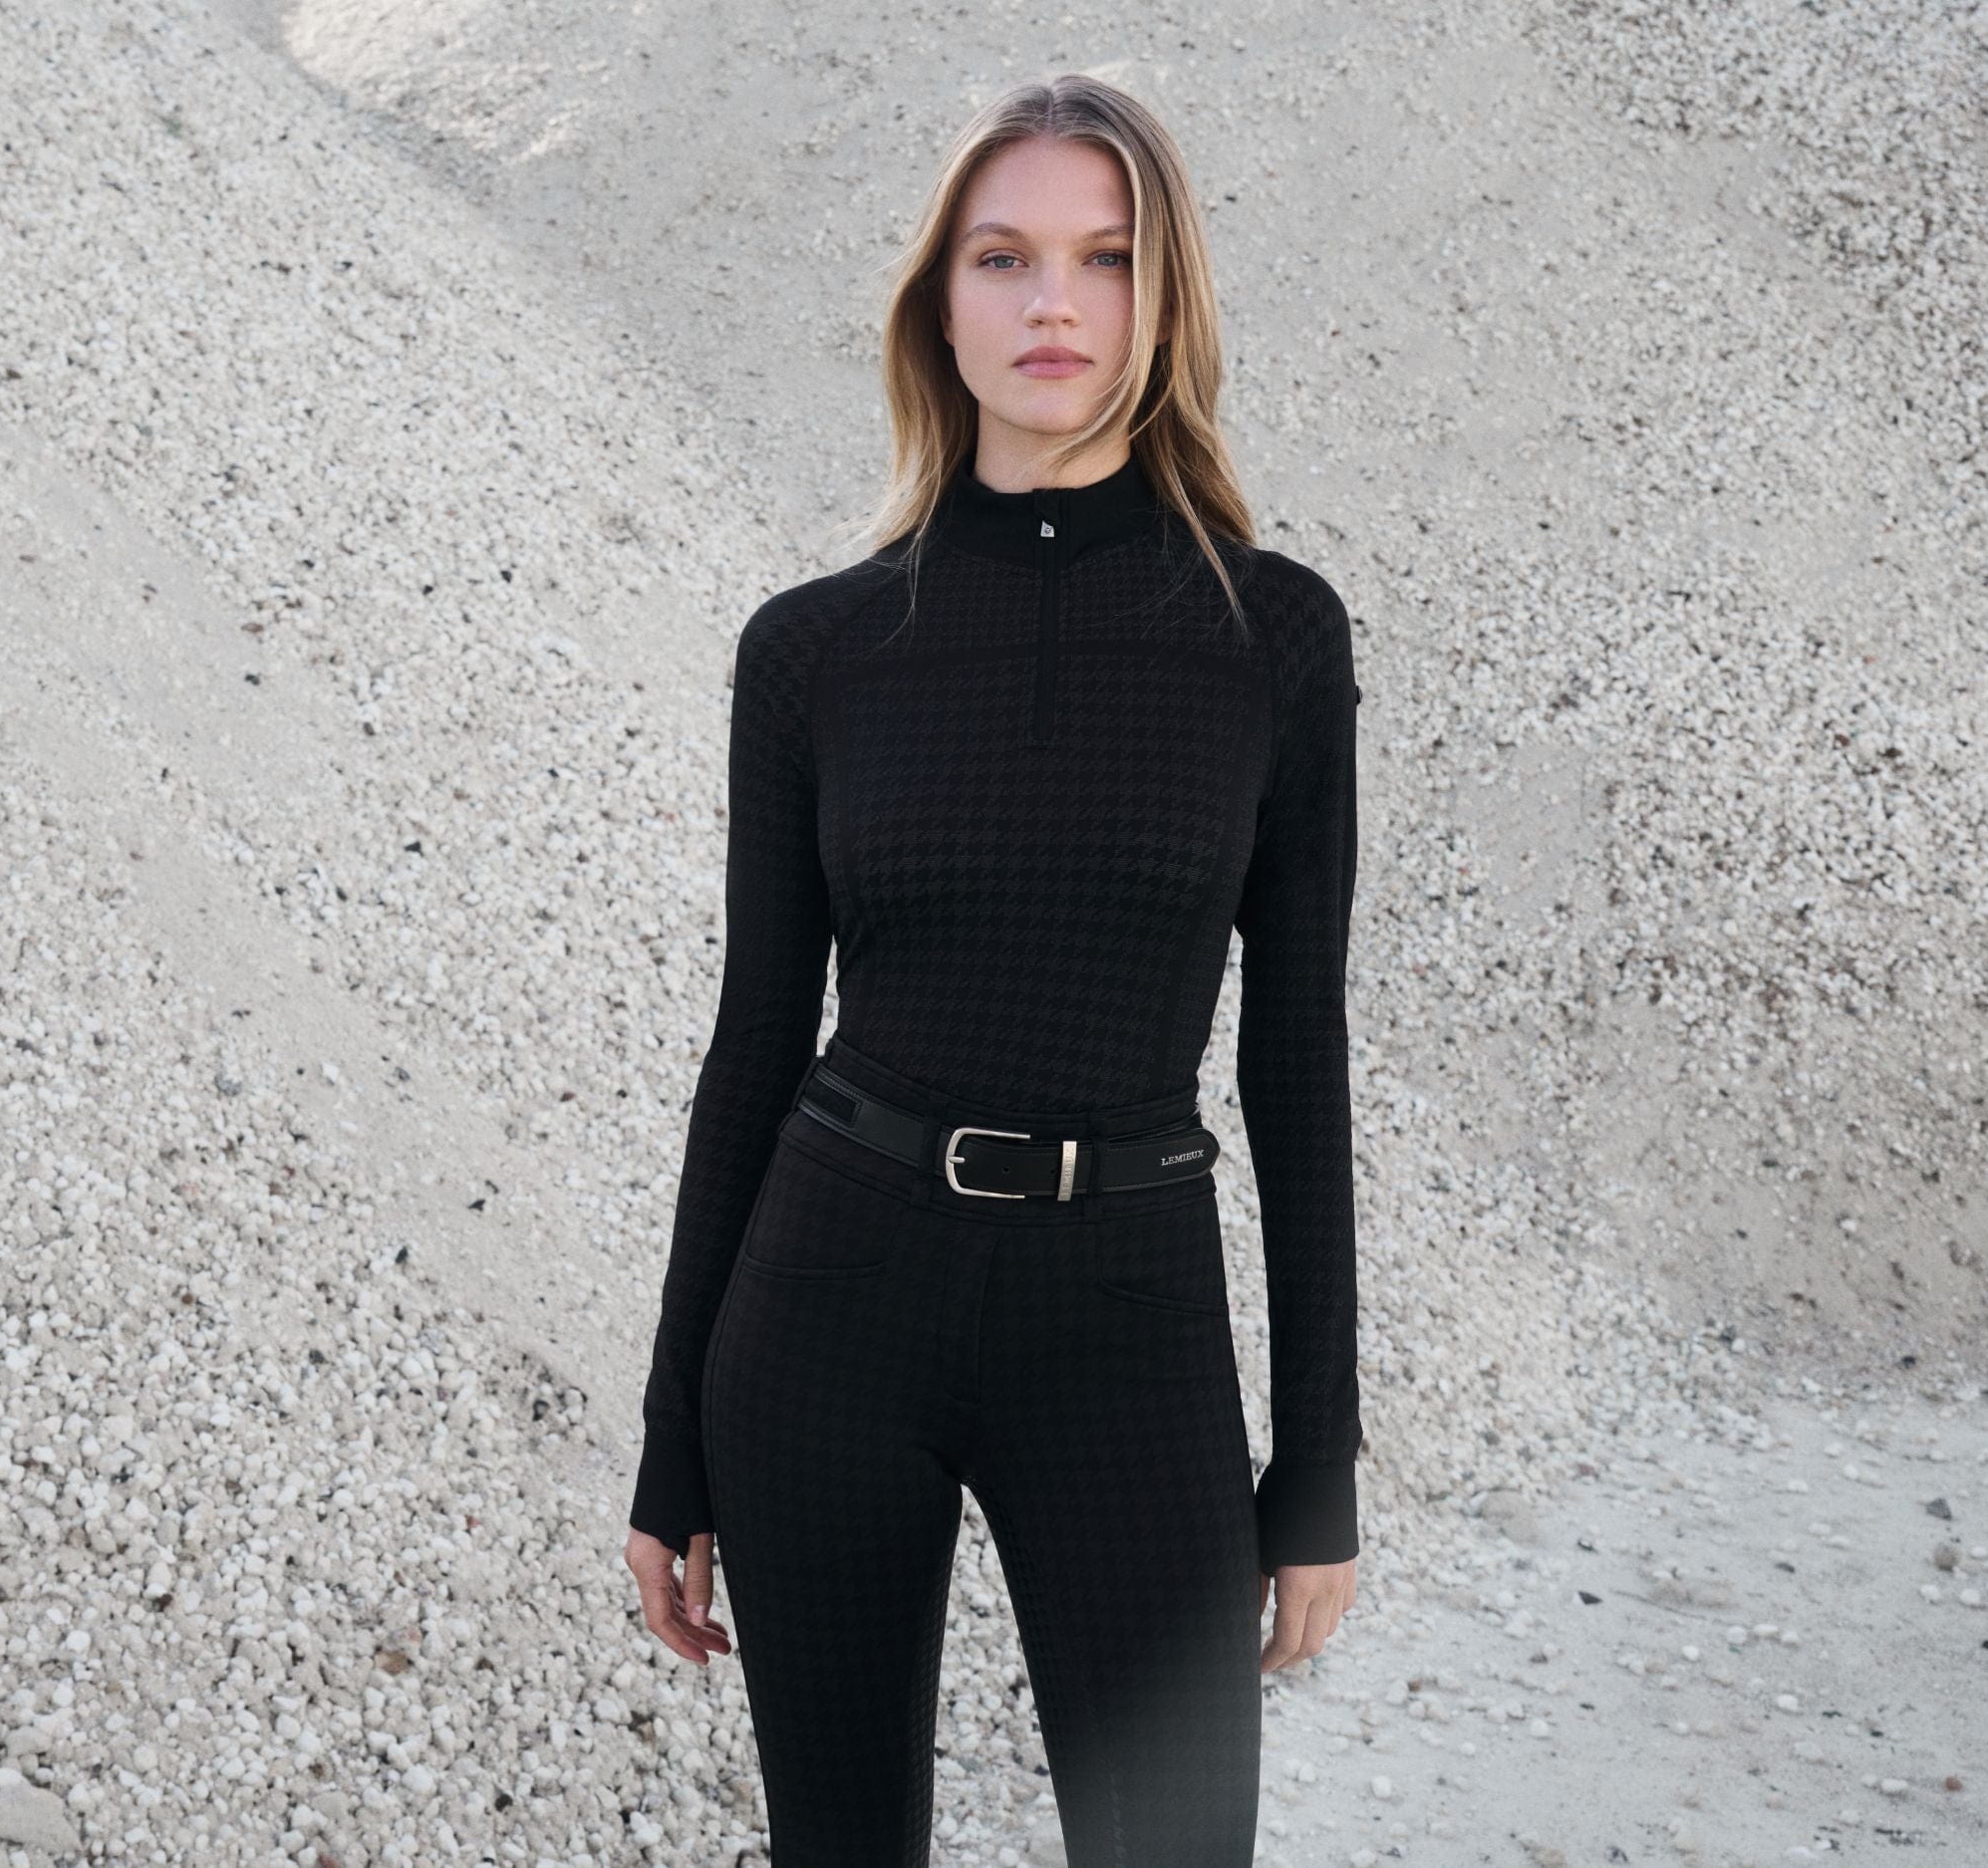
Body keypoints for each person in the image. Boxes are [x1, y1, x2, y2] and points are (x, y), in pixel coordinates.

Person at [621, 71, 1364, 1866]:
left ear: (1164, 299)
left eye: (1107, 259)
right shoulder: (815, 650)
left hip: (1127, 1319)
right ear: (936, 307)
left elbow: (1296, 1063)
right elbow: (752, 1042)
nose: (1054, 303)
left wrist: (1318, 1465)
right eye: (1004, 257)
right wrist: (671, 1438)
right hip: (829, 1304)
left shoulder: (1270, 638)